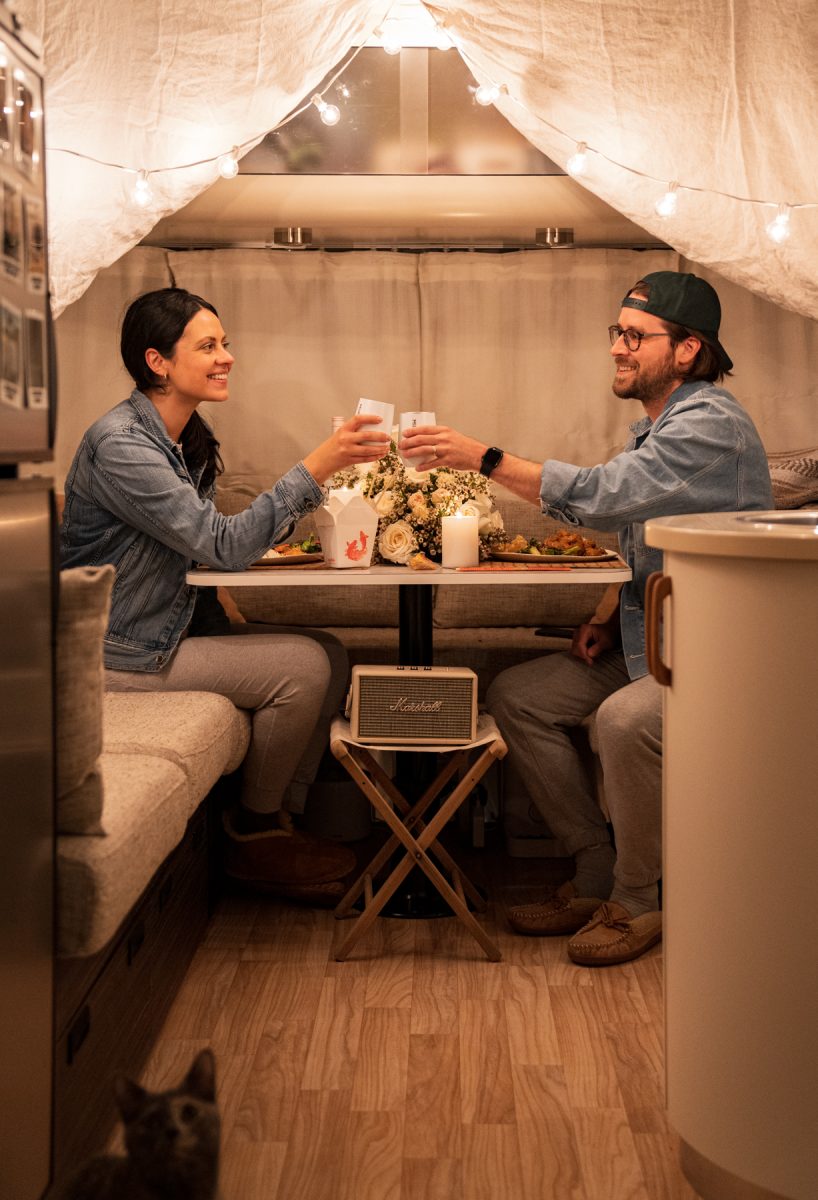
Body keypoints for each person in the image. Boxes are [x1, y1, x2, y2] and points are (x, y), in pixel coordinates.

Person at [399, 270, 773, 964]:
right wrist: (611, 613)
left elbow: (604, 497)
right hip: (651, 641)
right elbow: (634, 531)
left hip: (713, 656)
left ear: (687, 349)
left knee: (623, 720)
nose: (617, 349)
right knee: (520, 696)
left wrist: (483, 458)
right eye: (617, 333)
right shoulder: (656, 428)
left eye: (635, 335)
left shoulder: (711, 425)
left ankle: (639, 897)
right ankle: (593, 864)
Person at [61, 286, 390, 904]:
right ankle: (255, 832)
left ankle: (280, 823)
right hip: (115, 655)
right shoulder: (123, 445)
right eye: (208, 345)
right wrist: (317, 465)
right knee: (302, 666)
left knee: (329, 649)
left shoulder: (184, 437)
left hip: (162, 633)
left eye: (225, 344)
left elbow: (192, 556)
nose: (226, 356)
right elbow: (224, 545)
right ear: (158, 361)